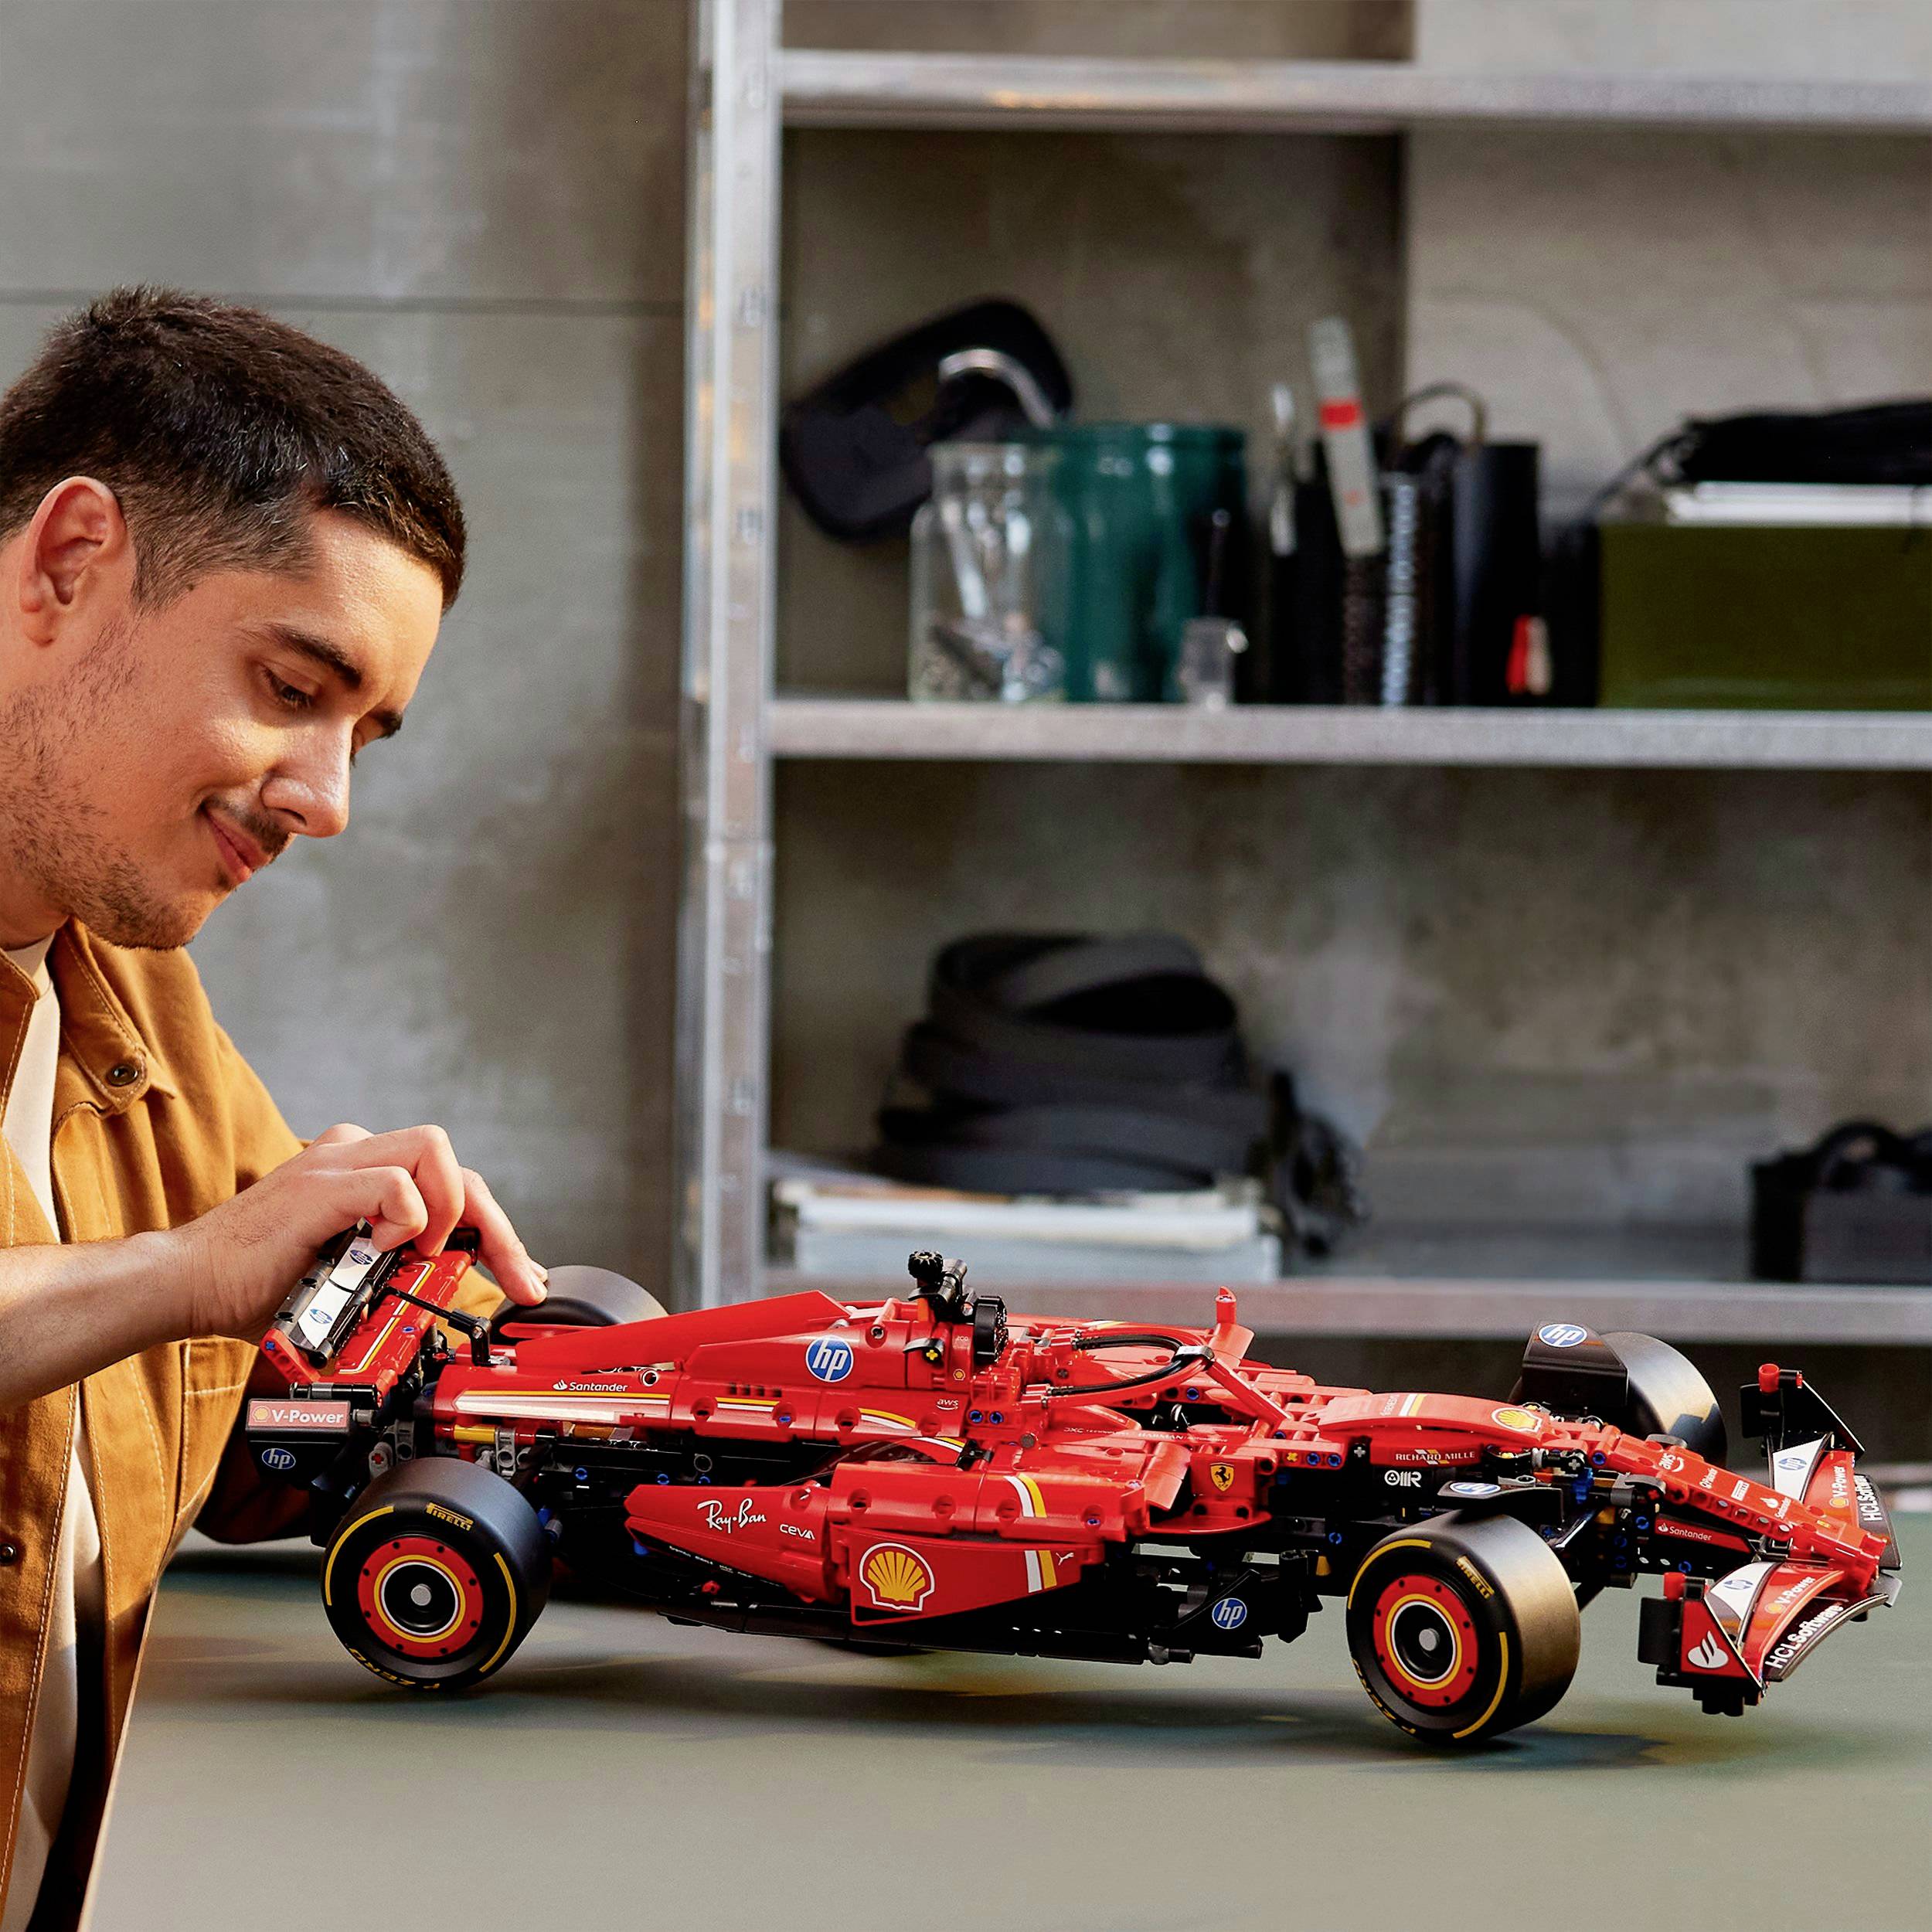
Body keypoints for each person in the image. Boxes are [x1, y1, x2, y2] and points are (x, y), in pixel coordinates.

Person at [0, 288, 553, 1929]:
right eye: (290, 684)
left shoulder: (130, 984)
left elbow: (274, 1376)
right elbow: (210, 1272)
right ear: (67, 562)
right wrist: (187, 1270)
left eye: (363, 731)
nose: (327, 799)